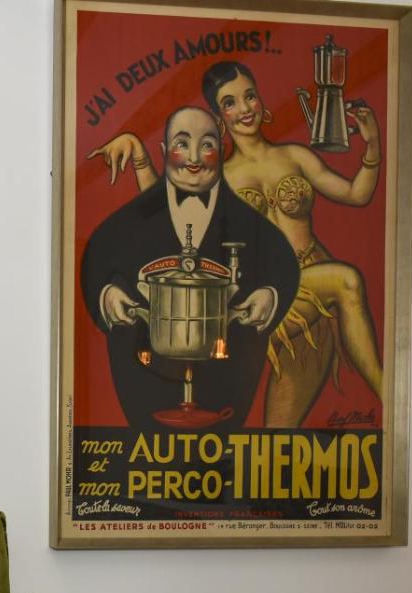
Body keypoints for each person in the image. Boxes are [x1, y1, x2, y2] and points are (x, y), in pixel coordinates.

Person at [89, 61, 385, 427]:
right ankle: (387, 391)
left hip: (314, 293)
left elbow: (357, 195)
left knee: (279, 434)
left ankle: (392, 406)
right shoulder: (217, 177)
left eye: (250, 96)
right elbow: (161, 207)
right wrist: (139, 155)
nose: (244, 109)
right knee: (347, 280)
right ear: (218, 118)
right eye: (230, 103)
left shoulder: (296, 156)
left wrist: (373, 145)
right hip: (271, 299)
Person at [80, 107, 299, 431]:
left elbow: (283, 267)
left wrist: (269, 294)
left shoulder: (253, 227)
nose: (194, 159)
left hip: (225, 385)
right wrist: (107, 295)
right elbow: (96, 262)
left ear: (221, 151)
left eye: (206, 145)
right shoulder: (125, 224)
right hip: (146, 386)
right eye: (182, 144)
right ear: (164, 150)